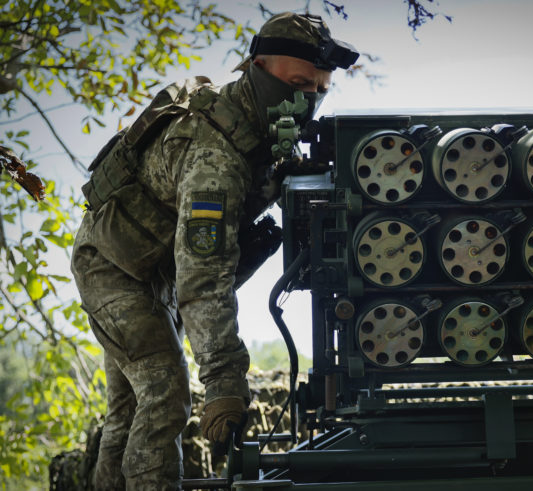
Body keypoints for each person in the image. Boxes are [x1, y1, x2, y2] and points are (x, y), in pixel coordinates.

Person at [70, 12, 358, 490]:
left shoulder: (260, 132)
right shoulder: (215, 157)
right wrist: (224, 383)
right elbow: (203, 276)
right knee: (165, 392)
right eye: (298, 84)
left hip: (152, 269)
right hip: (114, 269)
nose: (307, 100)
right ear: (258, 68)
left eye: (318, 90)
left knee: (130, 409)